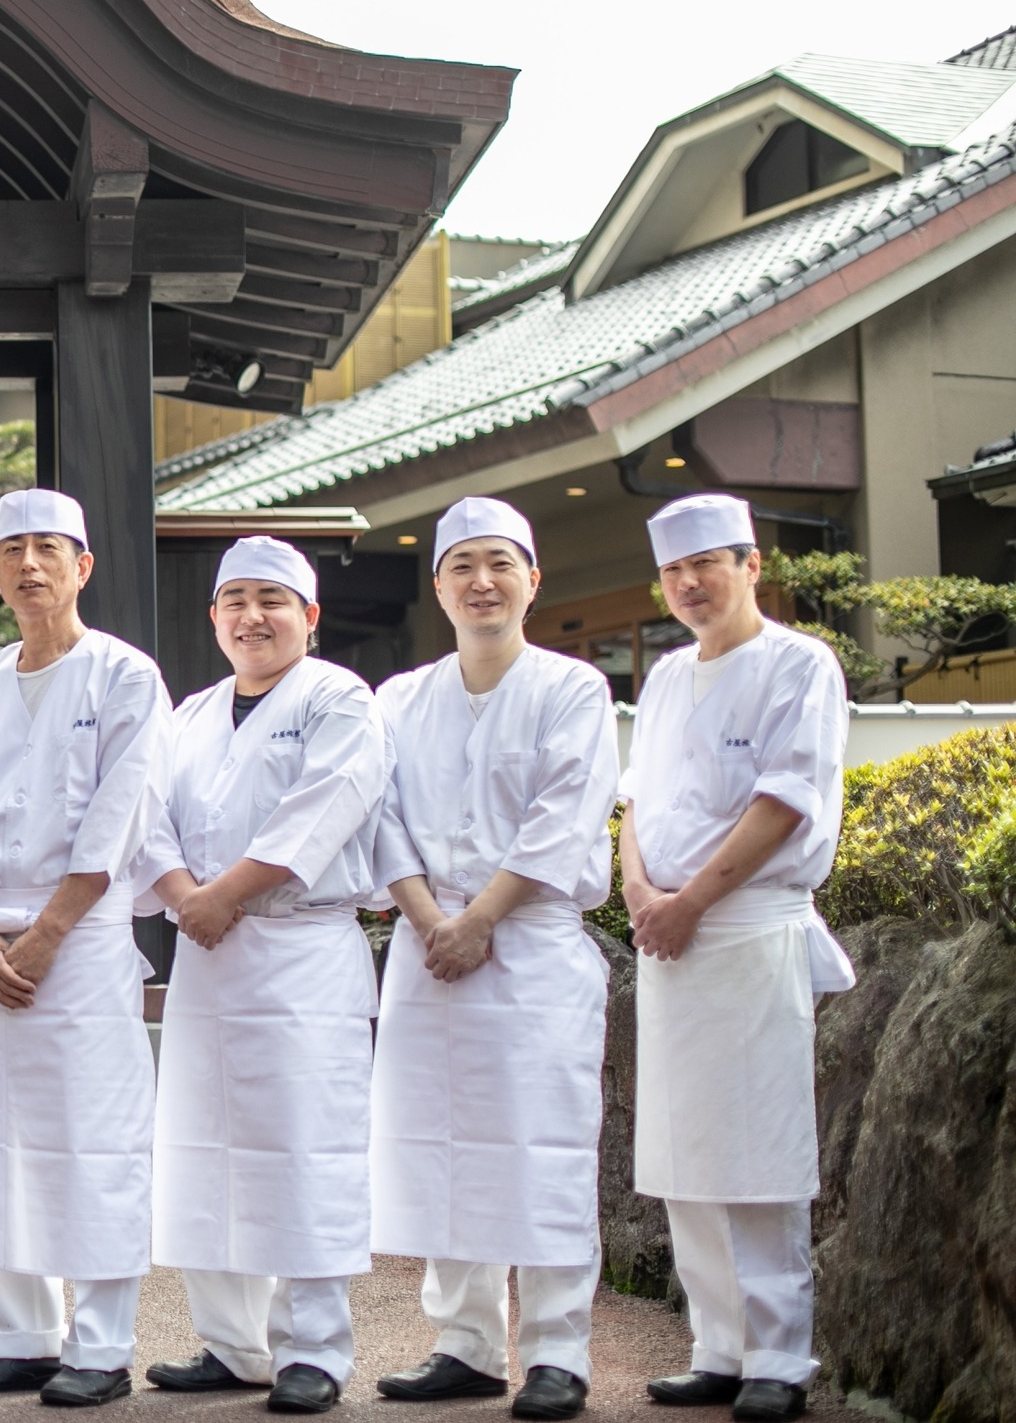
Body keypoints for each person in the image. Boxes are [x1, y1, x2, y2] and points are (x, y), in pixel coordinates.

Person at [0, 490, 170, 1410]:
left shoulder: (126, 676)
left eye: (49, 549)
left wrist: (50, 932)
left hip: (87, 941)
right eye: (12, 549)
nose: (30, 565)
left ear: (83, 566)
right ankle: (20, 1337)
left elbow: (120, 812)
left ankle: (100, 1346)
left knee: (93, 1137)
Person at [365, 498, 619, 1421]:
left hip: (533, 949)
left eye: (500, 563)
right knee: (441, 1144)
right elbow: (379, 815)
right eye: (463, 564)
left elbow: (565, 815)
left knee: (543, 1145)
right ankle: (465, 1343)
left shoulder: (572, 689)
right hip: (429, 948)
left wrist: (481, 919)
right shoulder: (398, 700)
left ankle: (558, 1350)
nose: (482, 581)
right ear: (438, 586)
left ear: (533, 581)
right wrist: (434, 918)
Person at [137, 536, 389, 1414]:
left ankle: (313, 1349)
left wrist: (224, 897)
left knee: (305, 1148)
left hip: (300, 951)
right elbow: (146, 817)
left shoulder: (339, 699)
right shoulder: (192, 712)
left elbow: (322, 808)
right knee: (204, 1147)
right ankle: (230, 1342)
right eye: (234, 599)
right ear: (213, 618)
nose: (253, 616)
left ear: (310, 616)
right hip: (207, 952)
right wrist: (182, 896)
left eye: (272, 599)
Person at [619, 494, 851, 1423]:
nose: (689, 583)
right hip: (667, 934)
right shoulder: (670, 675)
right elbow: (637, 800)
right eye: (675, 570)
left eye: (708, 563)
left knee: (758, 1146)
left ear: (752, 565)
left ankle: (779, 1358)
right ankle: (716, 1344)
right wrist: (640, 894)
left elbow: (784, 802)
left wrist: (692, 902)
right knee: (683, 1149)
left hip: (748, 927)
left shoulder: (802, 665)